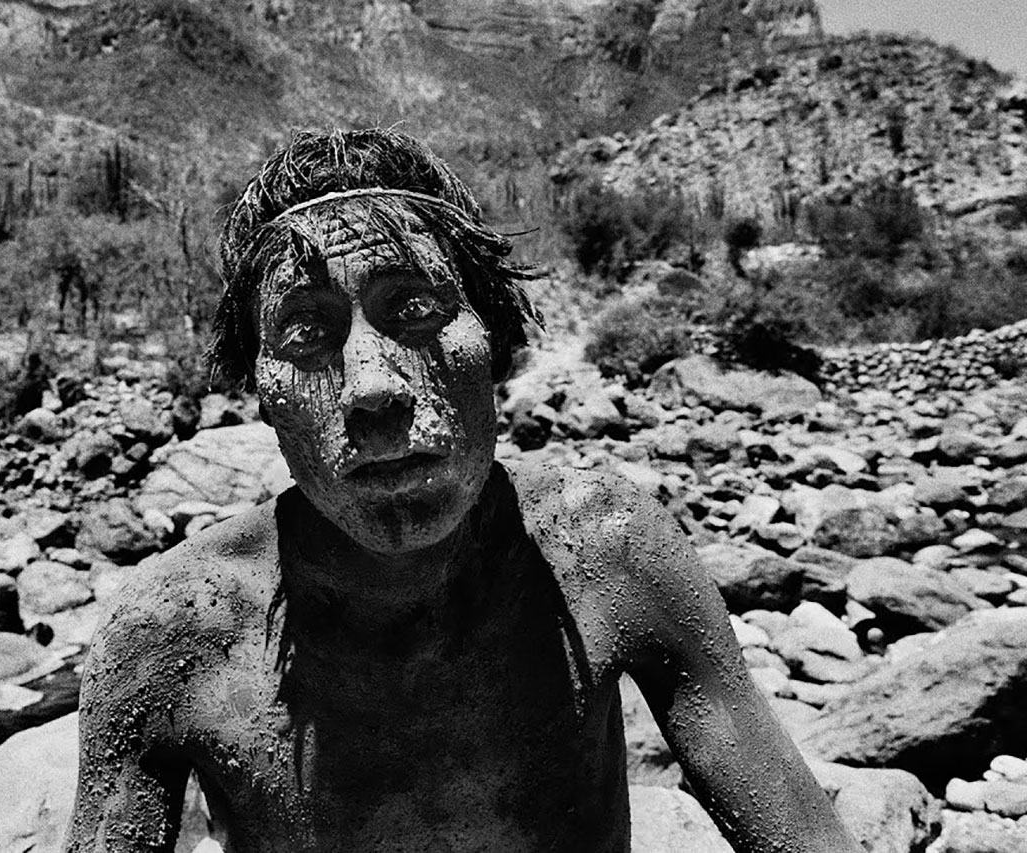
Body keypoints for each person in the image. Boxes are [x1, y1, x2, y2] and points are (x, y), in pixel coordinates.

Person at [65, 128, 861, 852]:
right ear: (262, 394)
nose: (371, 388)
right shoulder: (174, 634)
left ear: (498, 341)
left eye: (415, 309)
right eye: (306, 334)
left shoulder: (607, 551)